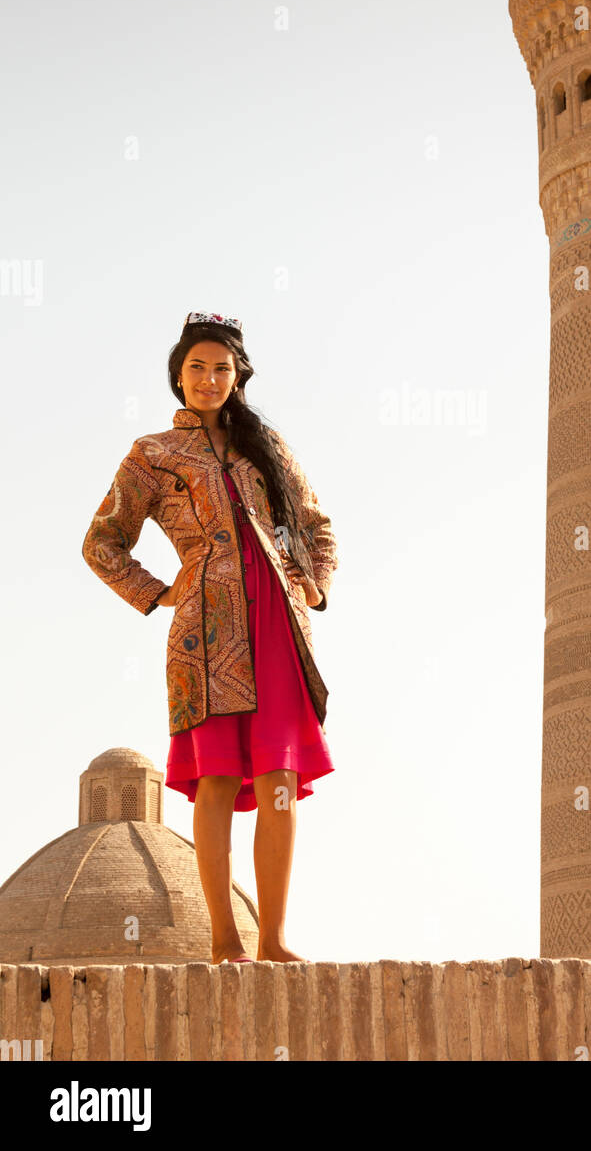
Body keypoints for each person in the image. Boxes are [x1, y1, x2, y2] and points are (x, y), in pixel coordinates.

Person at [81, 311, 338, 964]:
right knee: (217, 779)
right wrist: (158, 590)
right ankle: (226, 940)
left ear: (237, 375)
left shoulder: (267, 448)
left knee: (280, 779)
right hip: (204, 636)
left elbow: (315, 525)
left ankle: (273, 939)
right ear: (178, 375)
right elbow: (101, 542)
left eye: (221, 367)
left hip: (279, 629)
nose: (209, 378)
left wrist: (314, 582)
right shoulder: (153, 455)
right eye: (197, 367)